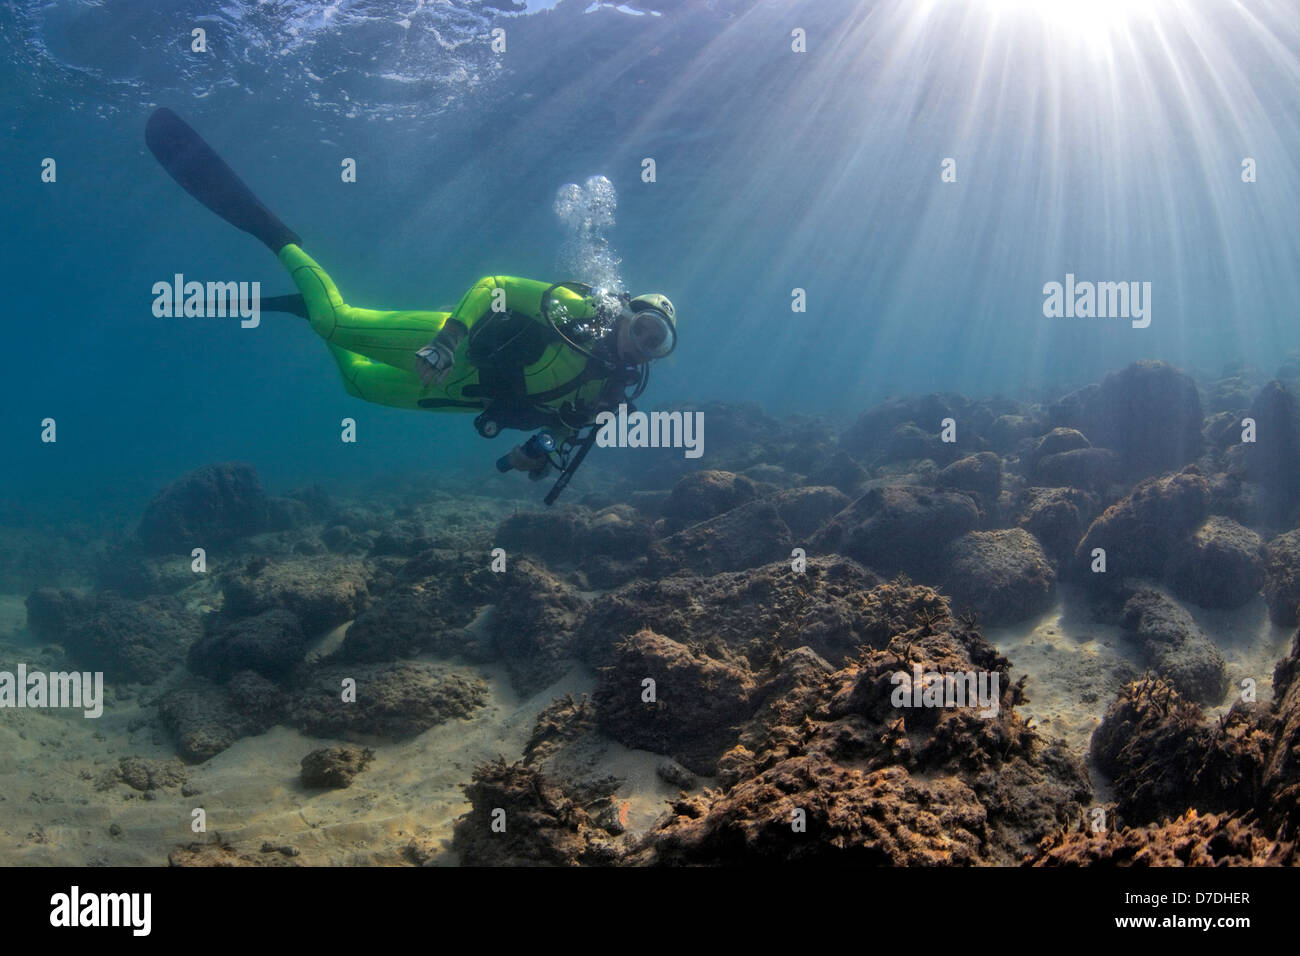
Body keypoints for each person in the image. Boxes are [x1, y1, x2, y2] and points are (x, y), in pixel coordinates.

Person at [145, 108, 676, 500]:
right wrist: (448, 340)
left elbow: (566, 425)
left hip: (467, 397)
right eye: (645, 326)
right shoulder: (577, 312)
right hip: (452, 352)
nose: (644, 343)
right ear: (628, 310)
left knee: (356, 384)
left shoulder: (614, 390)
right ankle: (278, 237)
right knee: (337, 323)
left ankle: (307, 308)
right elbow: (496, 284)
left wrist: (537, 451)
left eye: (657, 342)